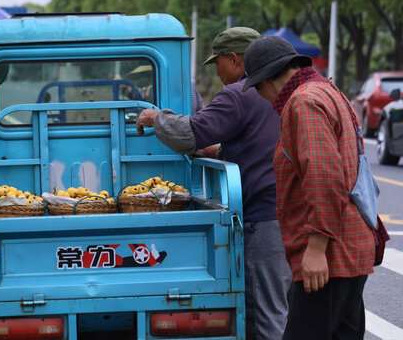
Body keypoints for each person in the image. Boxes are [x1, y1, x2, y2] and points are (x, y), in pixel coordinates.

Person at [136, 27, 292, 340]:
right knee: (277, 308)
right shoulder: (279, 91)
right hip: (288, 215)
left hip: (263, 219)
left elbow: (189, 133)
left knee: (265, 314)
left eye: (217, 63)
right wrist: (219, 151)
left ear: (234, 59)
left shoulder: (239, 93)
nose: (217, 72)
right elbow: (260, 143)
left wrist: (154, 118)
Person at [242, 35, 377, 340]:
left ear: (266, 81)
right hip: (349, 248)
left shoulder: (303, 101)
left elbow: (323, 174)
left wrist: (316, 249)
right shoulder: (327, 90)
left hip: (330, 256)